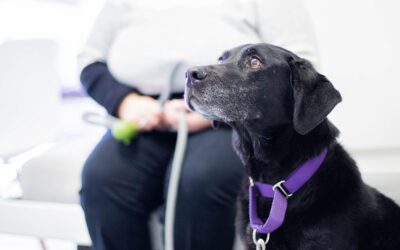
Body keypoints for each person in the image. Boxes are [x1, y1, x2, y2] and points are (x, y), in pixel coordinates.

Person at [78, 0, 319, 249]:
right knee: (103, 179)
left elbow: (299, 68)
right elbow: (89, 60)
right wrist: (124, 101)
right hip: (143, 112)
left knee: (201, 180)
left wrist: (212, 108)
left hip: (235, 117)